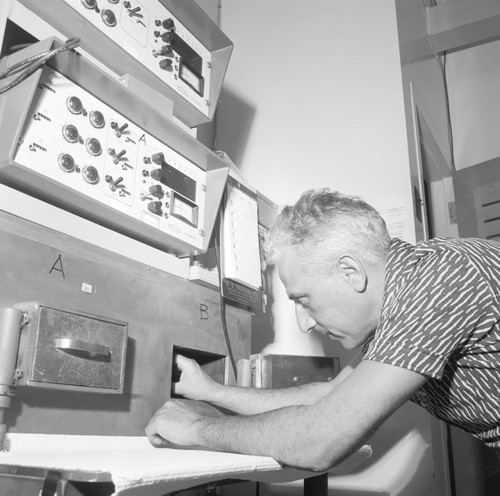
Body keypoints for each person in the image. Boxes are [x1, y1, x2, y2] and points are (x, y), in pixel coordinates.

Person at [146, 188, 500, 471]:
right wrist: (212, 392)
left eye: (303, 299)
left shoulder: (438, 282)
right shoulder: (398, 299)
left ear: (351, 272)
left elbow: (319, 440)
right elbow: (326, 399)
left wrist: (193, 430)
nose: (305, 322)